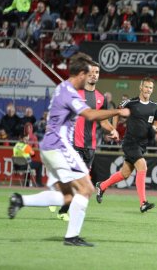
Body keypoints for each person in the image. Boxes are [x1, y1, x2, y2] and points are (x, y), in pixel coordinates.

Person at [8, 53, 125, 247]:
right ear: (80, 74)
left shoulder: (62, 88)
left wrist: (110, 128)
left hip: (51, 148)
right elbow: (89, 114)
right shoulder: (69, 92)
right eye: (87, 74)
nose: (89, 78)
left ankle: (20, 200)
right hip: (60, 147)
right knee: (87, 188)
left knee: (67, 196)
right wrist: (118, 111)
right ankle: (72, 237)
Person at [54, 61, 119, 221]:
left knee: (80, 183)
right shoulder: (75, 92)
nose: (94, 75)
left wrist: (112, 130)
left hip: (90, 147)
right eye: (91, 72)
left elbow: (103, 121)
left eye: (97, 72)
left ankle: (61, 203)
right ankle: (63, 208)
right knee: (76, 181)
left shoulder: (101, 98)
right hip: (73, 144)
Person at [96, 77, 157, 213]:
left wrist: (156, 131)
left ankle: (102, 186)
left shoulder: (155, 106)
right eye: (146, 87)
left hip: (142, 145)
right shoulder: (131, 103)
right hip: (130, 142)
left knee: (125, 174)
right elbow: (117, 112)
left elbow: (156, 123)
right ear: (141, 87)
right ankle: (143, 203)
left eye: (151, 88)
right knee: (142, 165)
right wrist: (114, 129)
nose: (148, 90)